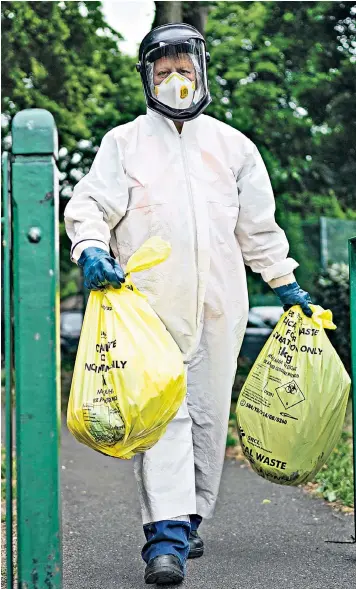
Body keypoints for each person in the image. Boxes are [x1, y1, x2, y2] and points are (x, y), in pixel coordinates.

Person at [64, 23, 313, 586]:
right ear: (147, 77)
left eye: (185, 69)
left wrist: (285, 282)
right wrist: (91, 249)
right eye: (163, 70)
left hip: (221, 307)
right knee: (166, 417)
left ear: (201, 73)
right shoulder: (124, 144)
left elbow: (258, 230)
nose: (175, 80)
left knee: (206, 415)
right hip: (147, 311)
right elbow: (90, 206)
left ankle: (190, 516)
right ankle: (165, 538)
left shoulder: (233, 147)